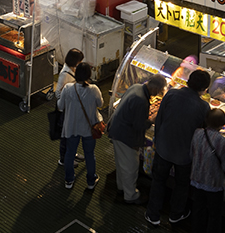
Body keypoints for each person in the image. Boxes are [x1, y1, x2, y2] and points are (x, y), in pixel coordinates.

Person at [147, 68, 211, 226]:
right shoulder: (204, 107)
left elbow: (159, 118)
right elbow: (203, 133)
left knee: (158, 181)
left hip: (163, 147)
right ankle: (175, 215)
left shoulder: (171, 94)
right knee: (182, 185)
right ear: (204, 89)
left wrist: (157, 139)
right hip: (185, 155)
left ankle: (153, 214)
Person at [107, 74, 166, 205]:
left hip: (117, 130)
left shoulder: (136, 87)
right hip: (125, 135)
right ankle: (131, 196)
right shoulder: (141, 100)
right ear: (155, 87)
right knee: (131, 166)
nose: (159, 93)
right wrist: (151, 120)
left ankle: (122, 188)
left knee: (121, 163)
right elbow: (139, 125)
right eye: (160, 90)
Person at [190, 108, 225, 233]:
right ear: (223, 124)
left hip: (196, 179)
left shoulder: (197, 133)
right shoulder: (222, 141)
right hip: (213, 184)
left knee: (198, 208)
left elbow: (191, 154)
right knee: (214, 215)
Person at [56, 62, 102, 191]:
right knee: (89, 154)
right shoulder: (94, 89)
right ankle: (91, 181)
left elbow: (60, 106)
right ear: (89, 75)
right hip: (89, 128)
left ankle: (69, 180)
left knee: (70, 153)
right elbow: (100, 103)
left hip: (72, 127)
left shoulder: (68, 88)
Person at [54, 48, 85, 167]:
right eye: (79, 61)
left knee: (72, 135)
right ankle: (63, 159)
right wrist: (69, 96)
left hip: (72, 109)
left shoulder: (72, 69)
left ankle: (72, 154)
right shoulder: (64, 74)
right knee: (66, 136)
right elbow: (57, 93)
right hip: (65, 111)